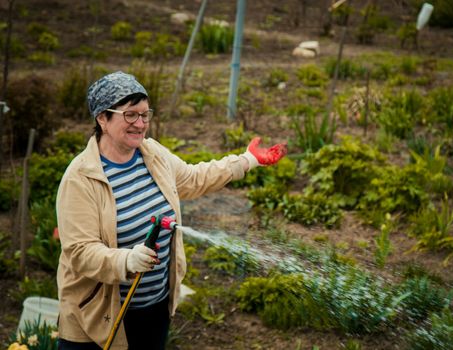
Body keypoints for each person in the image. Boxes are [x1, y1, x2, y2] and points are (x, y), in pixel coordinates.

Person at [55, 71, 287, 350]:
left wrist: (247, 161)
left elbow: (192, 178)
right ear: (102, 118)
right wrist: (126, 260)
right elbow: (80, 252)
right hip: (99, 318)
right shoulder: (80, 177)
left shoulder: (152, 154)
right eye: (130, 115)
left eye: (145, 114)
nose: (140, 124)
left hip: (154, 310)